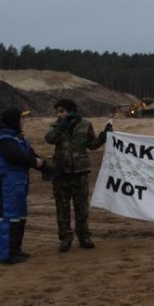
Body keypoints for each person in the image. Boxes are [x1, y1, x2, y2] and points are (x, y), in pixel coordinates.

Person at [45, 98, 110, 252]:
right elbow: (49, 139)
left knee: (82, 207)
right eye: (58, 112)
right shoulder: (56, 126)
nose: (59, 114)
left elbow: (92, 145)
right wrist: (61, 127)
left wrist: (103, 136)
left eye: (62, 111)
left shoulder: (85, 125)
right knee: (62, 208)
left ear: (71, 110)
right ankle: (65, 237)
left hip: (80, 172)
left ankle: (84, 236)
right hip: (61, 172)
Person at [0, 108, 46, 264]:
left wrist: (44, 166)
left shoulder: (17, 136)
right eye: (22, 118)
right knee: (8, 218)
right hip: (8, 181)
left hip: (19, 181)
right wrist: (34, 162)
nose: (24, 121)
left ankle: (16, 250)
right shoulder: (4, 138)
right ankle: (6, 254)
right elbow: (15, 157)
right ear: (14, 120)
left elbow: (29, 153)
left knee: (19, 217)